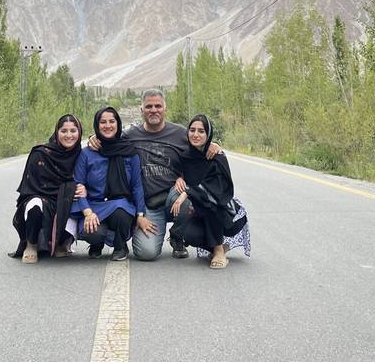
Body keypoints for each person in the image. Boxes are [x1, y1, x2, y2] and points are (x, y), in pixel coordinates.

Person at [89, 90, 221, 261]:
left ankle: (177, 236)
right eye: (149, 106)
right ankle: (154, 235)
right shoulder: (130, 135)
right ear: (141, 110)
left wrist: (213, 145)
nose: (154, 110)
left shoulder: (181, 133)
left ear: (165, 108)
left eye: (158, 106)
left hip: (174, 196)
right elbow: (109, 137)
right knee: (146, 253)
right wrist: (94, 137)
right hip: (148, 204)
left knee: (189, 197)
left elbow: (199, 146)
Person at [169, 114, 250, 268]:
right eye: (192, 130)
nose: (195, 134)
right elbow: (176, 170)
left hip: (225, 213)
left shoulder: (217, 157)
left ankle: (219, 250)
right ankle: (215, 247)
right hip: (198, 211)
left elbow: (217, 190)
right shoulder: (185, 156)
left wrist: (186, 193)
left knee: (209, 201)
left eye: (201, 131)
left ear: (208, 134)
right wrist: (178, 178)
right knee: (190, 235)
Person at [71, 106, 145, 261]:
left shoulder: (130, 152)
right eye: (103, 122)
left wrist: (140, 214)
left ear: (118, 124)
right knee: (92, 231)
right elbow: (78, 185)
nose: (107, 125)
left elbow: (137, 186)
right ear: (97, 126)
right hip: (94, 206)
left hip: (121, 204)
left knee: (121, 213)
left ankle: (120, 246)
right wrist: (88, 212)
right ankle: (97, 243)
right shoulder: (86, 153)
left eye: (112, 121)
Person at [11, 113, 83, 263]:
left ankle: (62, 243)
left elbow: (90, 178)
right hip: (42, 198)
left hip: (65, 200)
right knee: (35, 205)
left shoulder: (81, 155)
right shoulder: (40, 154)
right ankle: (31, 244)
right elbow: (28, 189)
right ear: (57, 133)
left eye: (73, 131)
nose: (68, 135)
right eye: (64, 131)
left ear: (79, 132)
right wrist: (65, 190)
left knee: (76, 202)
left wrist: (82, 188)